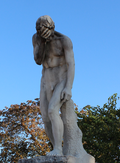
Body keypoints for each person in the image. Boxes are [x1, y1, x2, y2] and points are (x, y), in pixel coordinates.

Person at [32, 15, 75, 156]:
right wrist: (43, 43)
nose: (42, 33)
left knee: (52, 110)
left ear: (52, 27)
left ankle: (58, 148)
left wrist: (68, 87)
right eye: (39, 31)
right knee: (45, 117)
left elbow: (71, 64)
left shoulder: (64, 41)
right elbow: (38, 60)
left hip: (61, 77)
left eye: (44, 30)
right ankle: (55, 149)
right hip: (46, 78)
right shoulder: (36, 39)